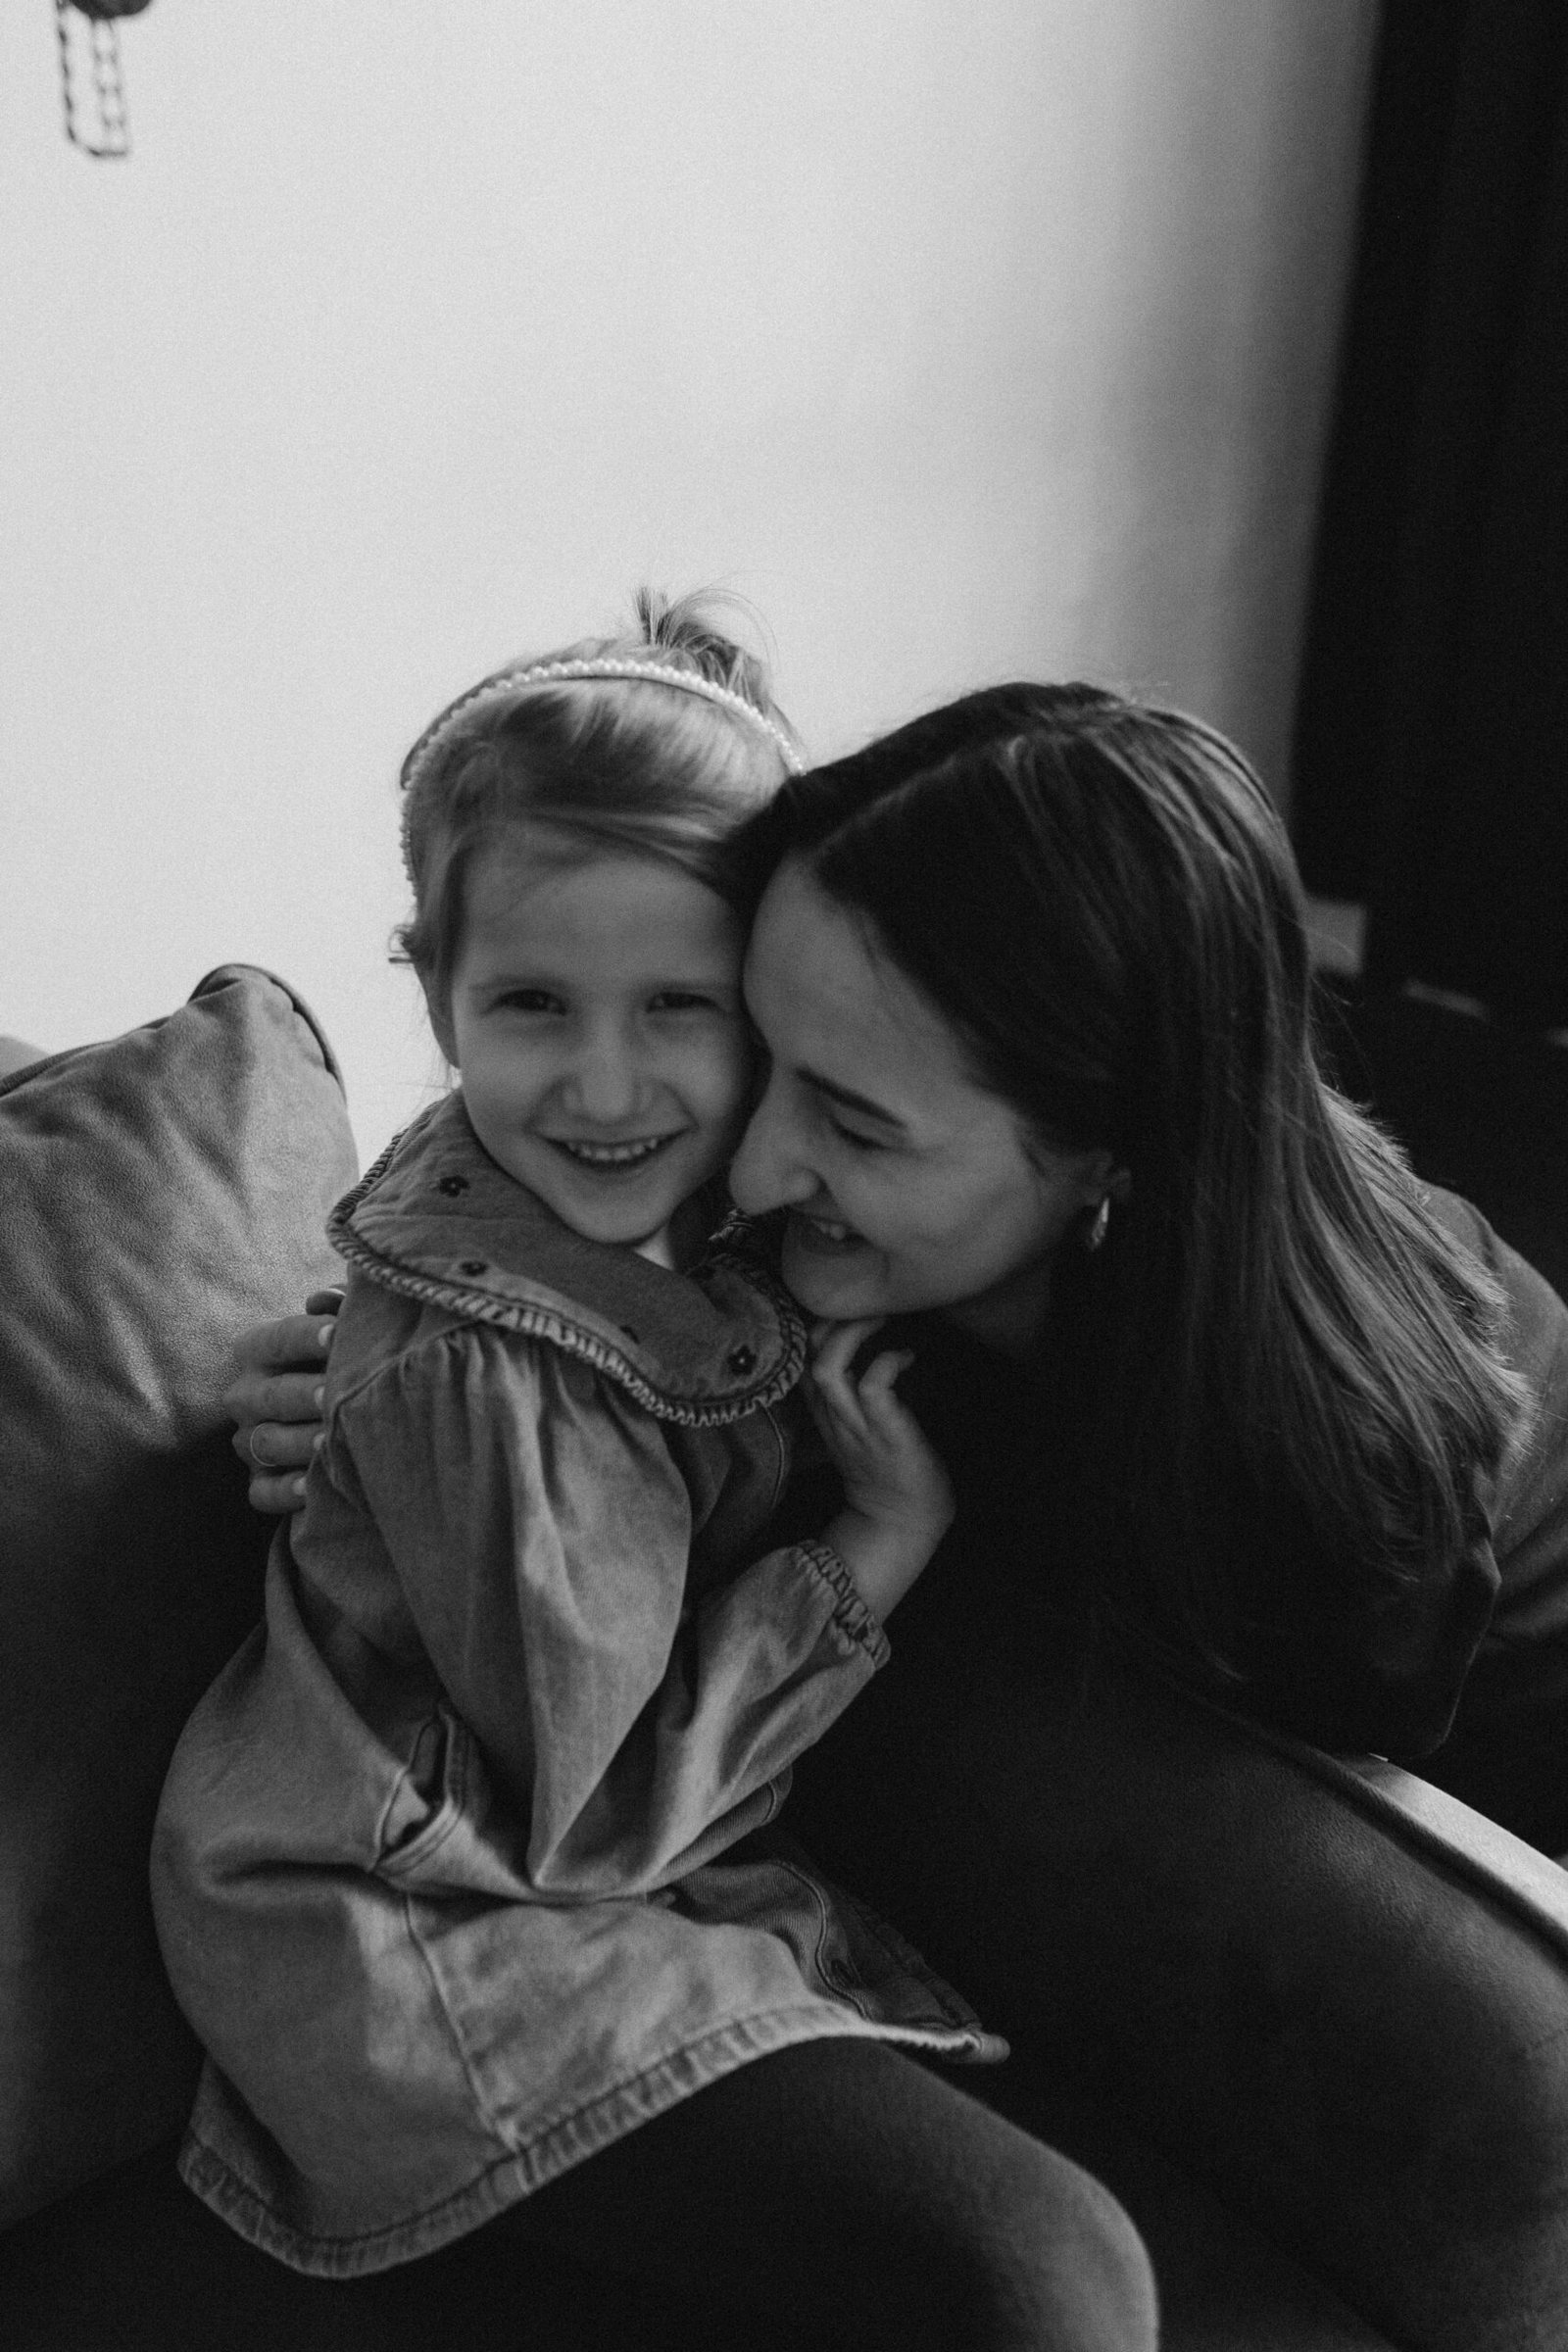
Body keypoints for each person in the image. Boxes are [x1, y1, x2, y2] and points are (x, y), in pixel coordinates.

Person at [152, 611, 1160, 2352]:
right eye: (532, 1005)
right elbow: (590, 1811)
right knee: (1046, 2281)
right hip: (444, 1917)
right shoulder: (488, 1361)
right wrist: (873, 1547)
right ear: (432, 989)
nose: (609, 1087)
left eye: (682, 1008)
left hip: (607, 1865)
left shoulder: (739, 1203)